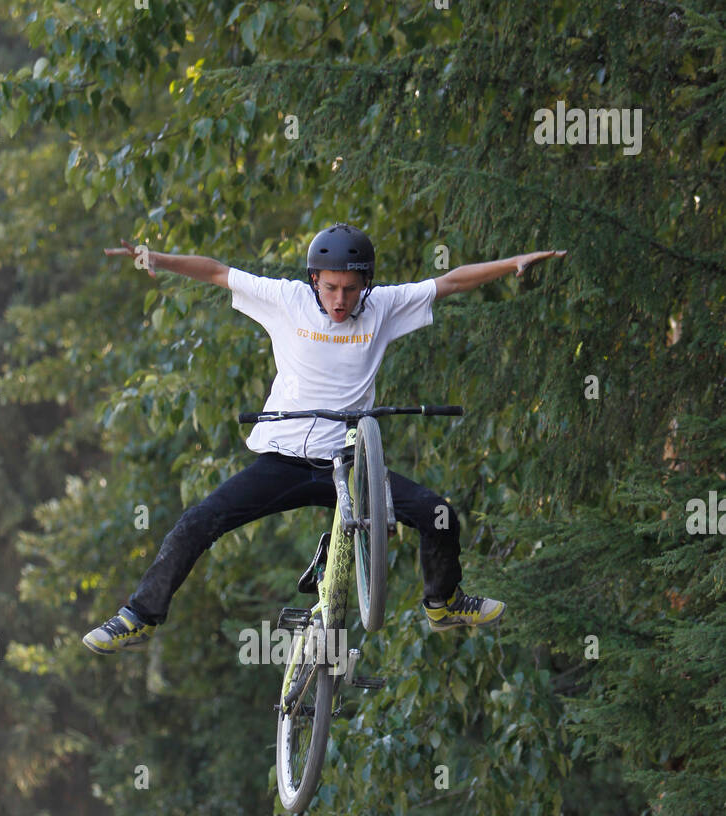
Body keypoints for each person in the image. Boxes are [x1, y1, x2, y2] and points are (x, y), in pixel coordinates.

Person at [85, 224, 565, 657]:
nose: (340, 300)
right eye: (331, 288)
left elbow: (452, 281)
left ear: (366, 286)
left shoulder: (383, 308)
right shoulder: (286, 299)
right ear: (315, 280)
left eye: (351, 290)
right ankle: (138, 617)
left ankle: (444, 603)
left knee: (439, 514)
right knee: (198, 521)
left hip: (351, 464)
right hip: (285, 462)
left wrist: (512, 263)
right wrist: (159, 259)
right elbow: (216, 271)